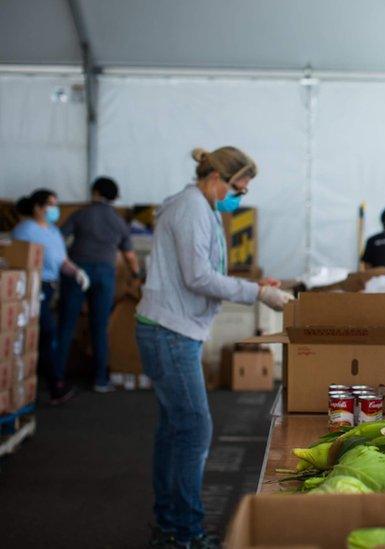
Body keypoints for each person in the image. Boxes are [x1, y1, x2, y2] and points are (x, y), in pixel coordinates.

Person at [136, 147, 293, 549]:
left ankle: (169, 524)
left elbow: (202, 273)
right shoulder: (191, 208)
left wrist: (257, 287)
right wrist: (255, 292)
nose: (239, 197)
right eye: (239, 189)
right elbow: (198, 277)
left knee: (175, 430)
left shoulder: (199, 207)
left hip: (170, 328)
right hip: (170, 331)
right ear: (217, 180)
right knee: (193, 428)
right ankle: (185, 531)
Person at [56, 177, 141, 393]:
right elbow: (130, 256)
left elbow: (58, 239)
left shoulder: (81, 214)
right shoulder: (118, 221)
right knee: (100, 327)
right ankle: (100, 380)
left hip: (77, 272)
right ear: (115, 197)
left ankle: (57, 379)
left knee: (66, 324)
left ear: (95, 192)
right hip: (105, 274)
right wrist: (137, 275)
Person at [13, 189, 90, 404]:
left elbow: (61, 261)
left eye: (56, 204)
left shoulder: (54, 232)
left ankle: (47, 384)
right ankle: (55, 384)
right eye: (50, 205)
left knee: (46, 334)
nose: (54, 209)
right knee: (47, 333)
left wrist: (77, 272)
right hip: (34, 288)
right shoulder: (25, 230)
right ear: (38, 207)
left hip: (49, 287)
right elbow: (17, 259)